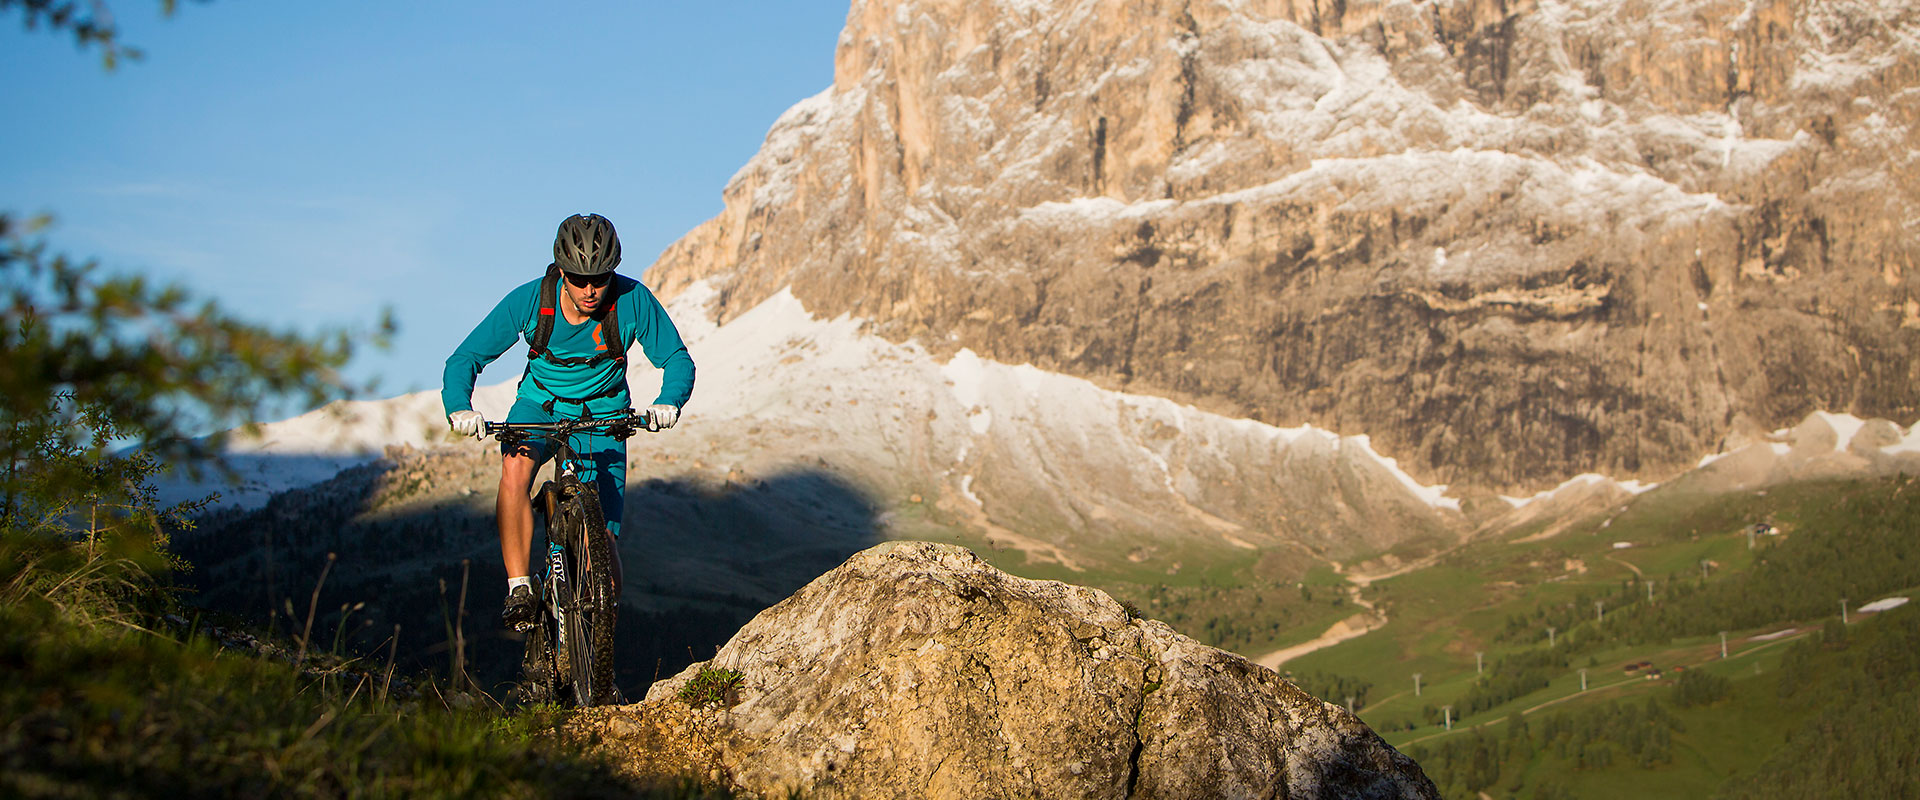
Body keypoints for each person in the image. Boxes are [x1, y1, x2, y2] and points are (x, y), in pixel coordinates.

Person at [440, 213, 694, 629]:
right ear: (561, 271)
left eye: (600, 278)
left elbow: (676, 359)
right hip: (540, 406)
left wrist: (669, 400)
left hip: (605, 415)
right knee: (515, 468)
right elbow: (465, 358)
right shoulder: (530, 300)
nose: (591, 289)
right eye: (579, 279)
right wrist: (459, 407)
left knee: (603, 545)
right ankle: (519, 586)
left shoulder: (633, 300)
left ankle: (597, 658)